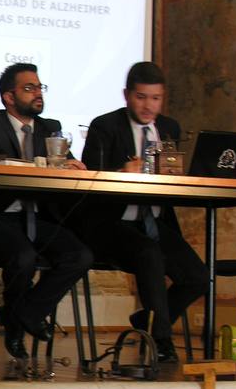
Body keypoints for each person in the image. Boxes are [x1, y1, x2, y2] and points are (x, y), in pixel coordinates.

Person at [0, 63, 93, 357]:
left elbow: (64, 168)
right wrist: (40, 166)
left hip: (39, 216)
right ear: (8, 97)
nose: (37, 94)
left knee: (80, 256)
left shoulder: (50, 129)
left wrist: (71, 166)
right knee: (24, 257)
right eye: (29, 88)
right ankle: (17, 329)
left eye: (40, 87)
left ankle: (22, 312)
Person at [79, 61, 209, 362]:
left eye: (155, 98)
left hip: (154, 220)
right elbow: (89, 180)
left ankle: (148, 322)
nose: (148, 106)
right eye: (141, 97)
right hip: (112, 223)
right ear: (126, 95)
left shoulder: (169, 128)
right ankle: (161, 341)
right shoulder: (105, 126)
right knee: (149, 254)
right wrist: (120, 172)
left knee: (198, 277)